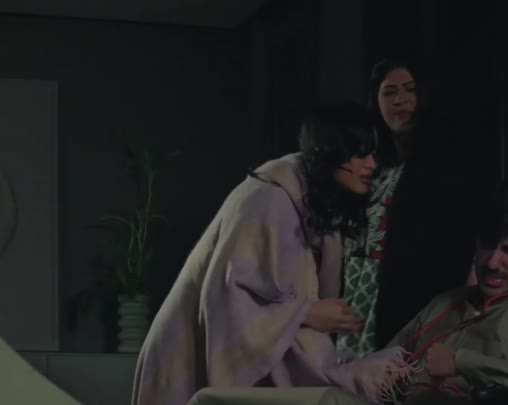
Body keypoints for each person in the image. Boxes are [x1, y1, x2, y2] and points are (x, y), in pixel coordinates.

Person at [132, 101, 403, 405]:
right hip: (185, 356)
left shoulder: (310, 201)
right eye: (360, 153)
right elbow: (226, 297)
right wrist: (308, 312)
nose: (371, 165)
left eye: (373, 154)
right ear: (330, 153)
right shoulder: (269, 199)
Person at [324, 180, 508, 405]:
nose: (493, 263)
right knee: (327, 398)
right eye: (488, 245)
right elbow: (386, 361)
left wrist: (463, 362)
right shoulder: (447, 302)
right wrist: (384, 374)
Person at [338, 57, 477, 361]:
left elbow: (458, 244)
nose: (399, 100)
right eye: (389, 92)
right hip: (358, 292)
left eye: (410, 90)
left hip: (415, 298)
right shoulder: (370, 160)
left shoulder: (446, 163)